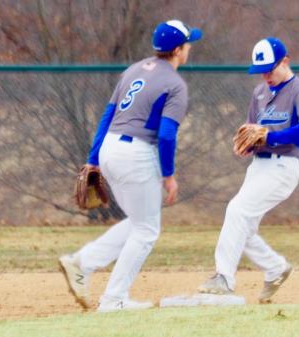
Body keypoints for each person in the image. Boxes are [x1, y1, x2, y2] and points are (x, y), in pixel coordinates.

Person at [59, 19, 202, 312]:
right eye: (187, 44)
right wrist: (169, 175)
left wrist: (93, 158)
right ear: (177, 50)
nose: (189, 48)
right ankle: (114, 299)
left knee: (139, 222)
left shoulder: (133, 69)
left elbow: (106, 117)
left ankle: (81, 264)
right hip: (137, 153)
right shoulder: (175, 84)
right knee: (147, 230)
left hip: (111, 146)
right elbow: (165, 135)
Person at [197, 37, 299, 303]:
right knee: (243, 226)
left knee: (236, 211)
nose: (266, 75)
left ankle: (223, 278)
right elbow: (252, 129)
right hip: (259, 166)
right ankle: (275, 267)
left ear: (285, 61)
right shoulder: (260, 93)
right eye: (261, 70)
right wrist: (248, 146)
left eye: (270, 69)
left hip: (283, 166)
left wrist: (271, 138)